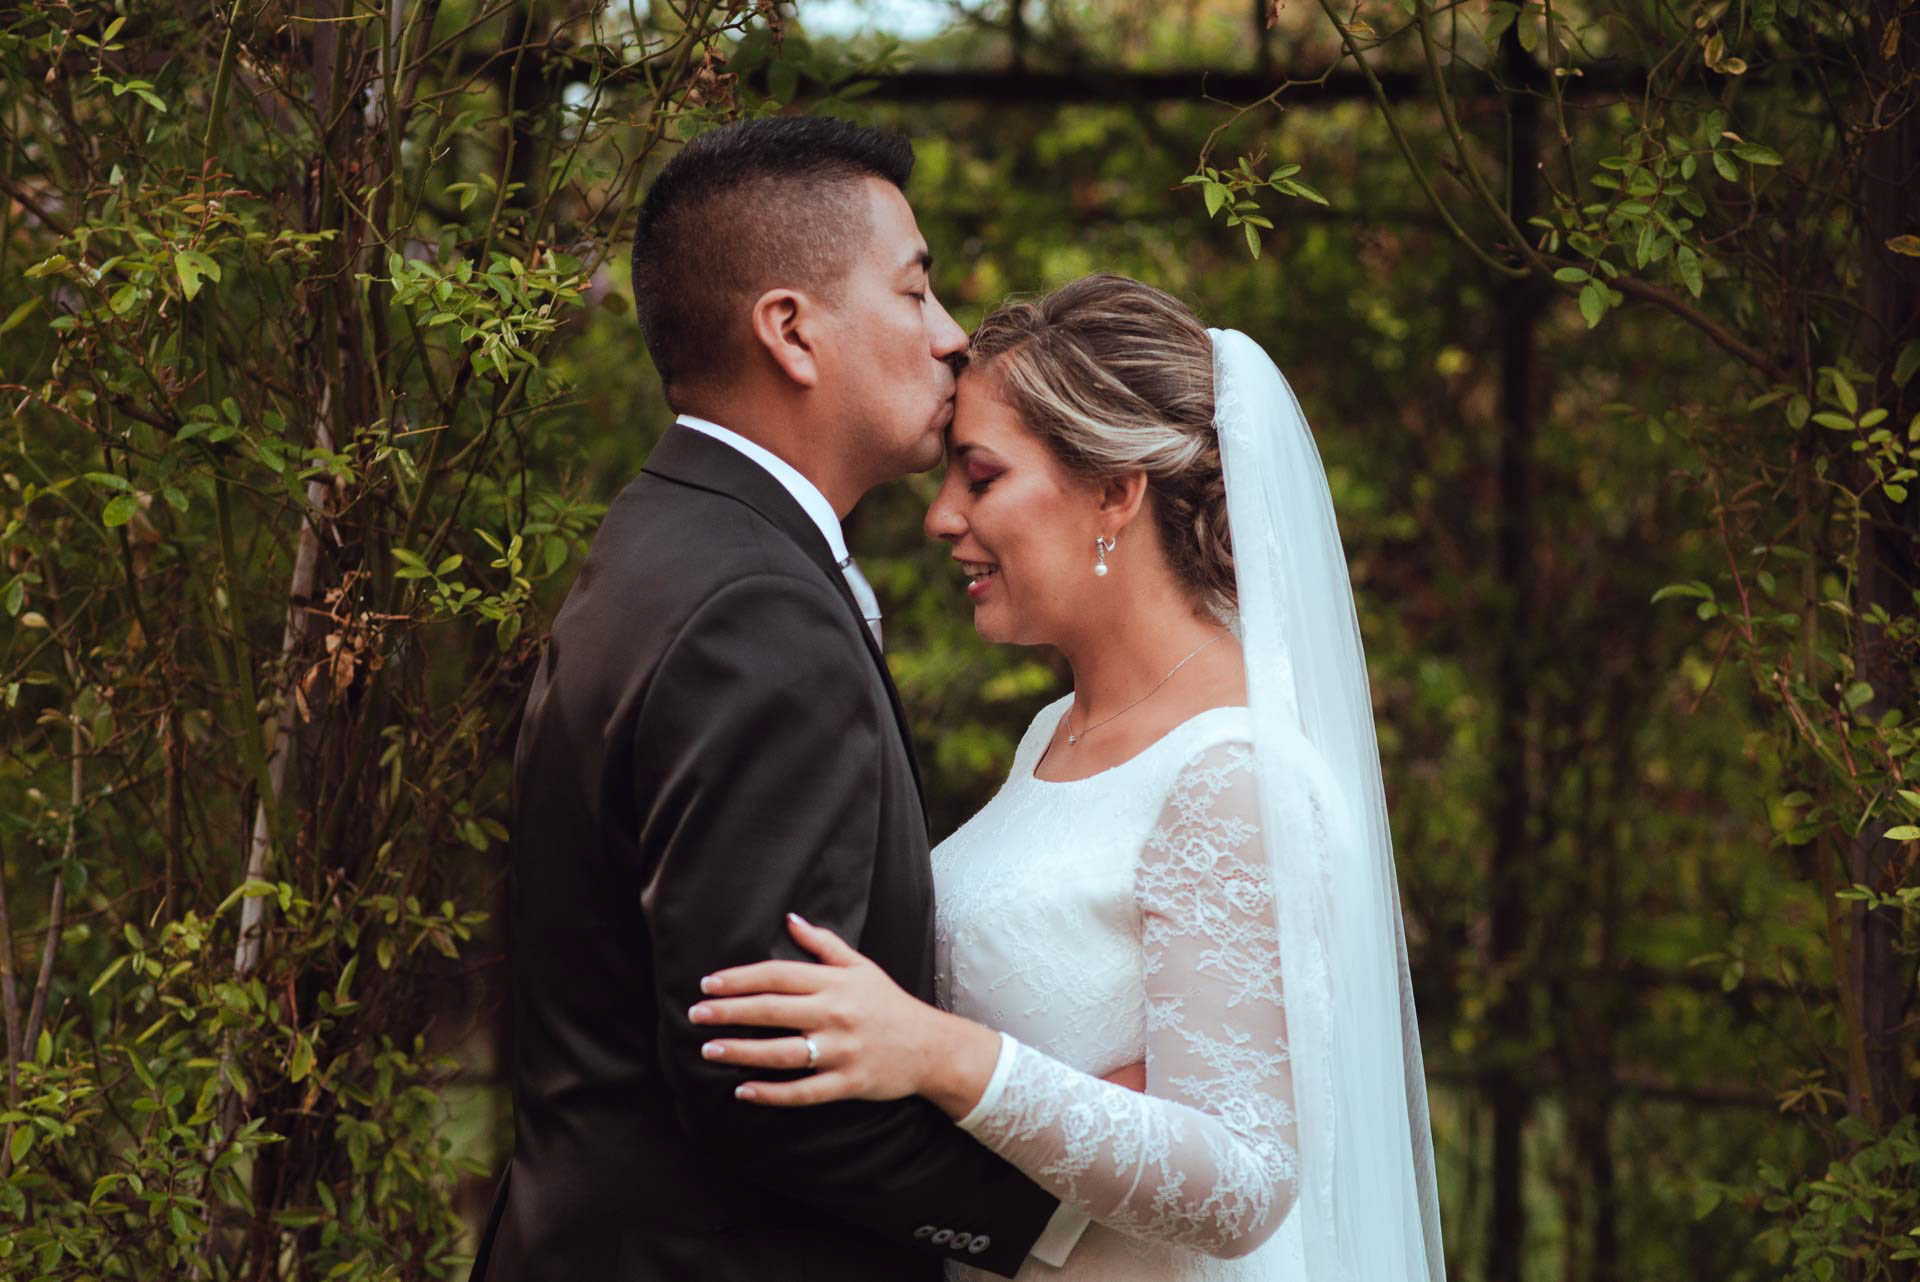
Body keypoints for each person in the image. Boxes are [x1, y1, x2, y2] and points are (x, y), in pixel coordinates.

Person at [693, 275, 1449, 1281]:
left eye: (982, 475)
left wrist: (935, 1053)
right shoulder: (1057, 728)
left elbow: (1245, 1180)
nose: (940, 517)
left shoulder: (1230, 775)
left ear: (1114, 490)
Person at [468, 117, 1093, 1282]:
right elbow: (767, 1075)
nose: (952, 337)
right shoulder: (751, 608)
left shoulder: (665, 537)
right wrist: (1072, 1218)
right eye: (916, 291)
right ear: (792, 332)